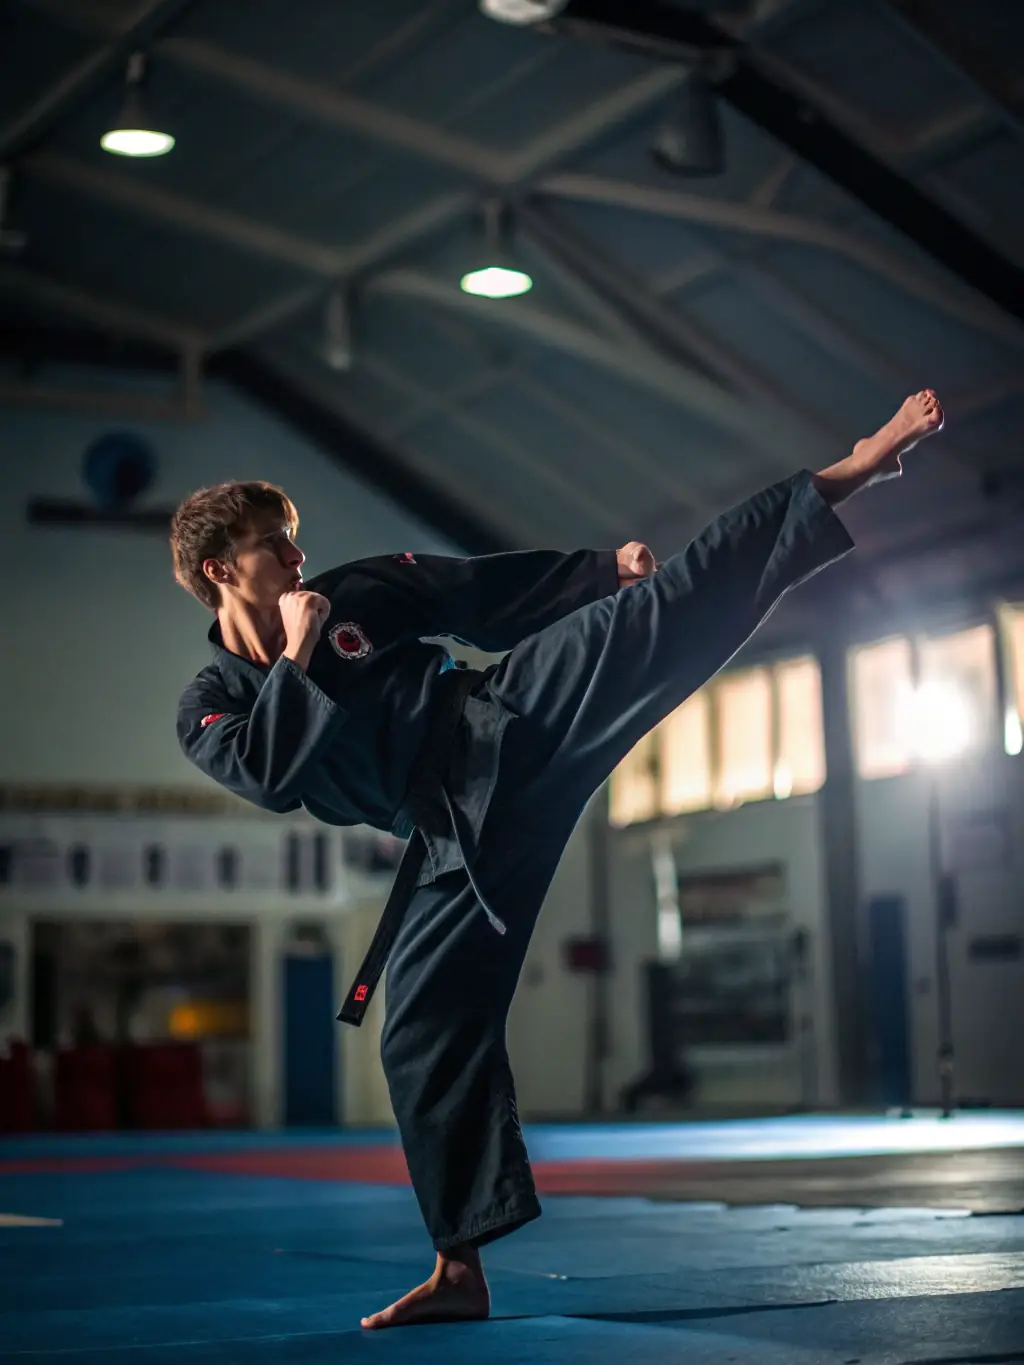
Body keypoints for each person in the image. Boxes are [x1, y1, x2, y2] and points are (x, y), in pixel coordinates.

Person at [172, 390, 943, 1330]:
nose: (298, 558)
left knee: (665, 606)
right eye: (273, 545)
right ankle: (459, 1268)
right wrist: (297, 654)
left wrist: (597, 574)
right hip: (451, 839)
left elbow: (469, 590)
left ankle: (849, 471)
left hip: (510, 721)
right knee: (418, 1029)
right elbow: (269, 773)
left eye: (295, 538)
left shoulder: (355, 594)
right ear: (220, 570)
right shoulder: (209, 702)